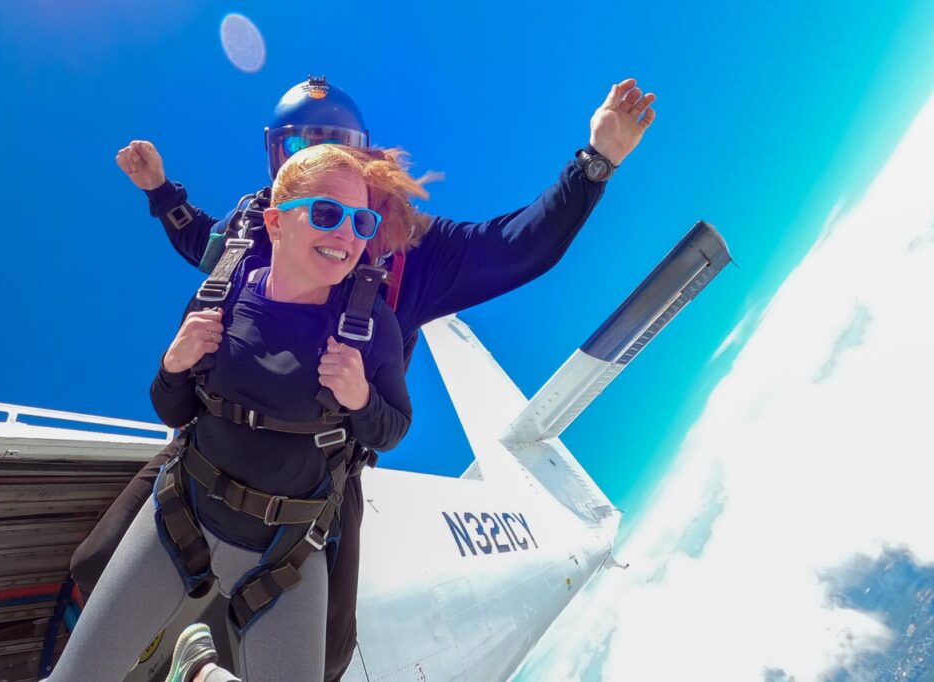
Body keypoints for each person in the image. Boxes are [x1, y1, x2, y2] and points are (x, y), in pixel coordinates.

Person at [71, 75, 656, 680]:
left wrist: (596, 161)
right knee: (96, 564)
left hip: (322, 465)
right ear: (278, 163)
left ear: (366, 157)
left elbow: (515, 247)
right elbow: (205, 241)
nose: (315, 161)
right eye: (295, 149)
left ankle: (199, 660)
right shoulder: (257, 231)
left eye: (335, 147)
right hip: (215, 441)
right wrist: (160, 191)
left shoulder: (411, 252)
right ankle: (156, 646)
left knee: (326, 656)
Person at [48, 144, 422, 681]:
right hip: (180, 519)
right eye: (325, 213)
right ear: (275, 222)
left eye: (361, 222)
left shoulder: (371, 325)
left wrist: (360, 398)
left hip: (285, 554)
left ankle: (199, 671)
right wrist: (173, 365)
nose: (346, 233)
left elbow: (393, 428)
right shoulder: (220, 295)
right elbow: (171, 407)